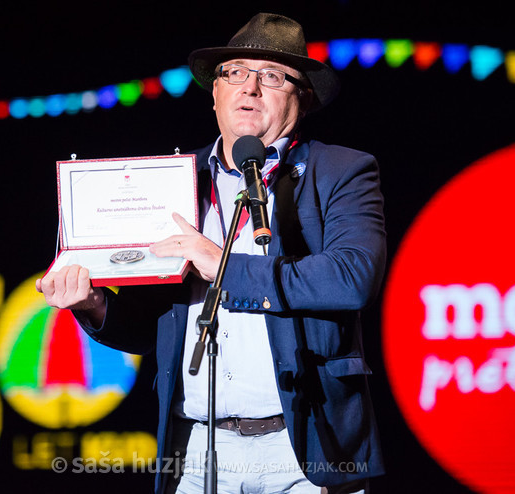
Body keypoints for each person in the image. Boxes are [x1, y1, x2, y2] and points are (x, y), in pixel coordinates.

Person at [37, 12, 386, 494]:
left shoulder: (340, 171)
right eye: (236, 72)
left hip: (303, 449)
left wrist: (220, 262)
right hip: (198, 451)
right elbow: (149, 329)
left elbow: (353, 278)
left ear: (300, 99)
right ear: (215, 94)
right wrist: (93, 304)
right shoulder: (172, 183)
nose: (251, 87)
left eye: (272, 76)